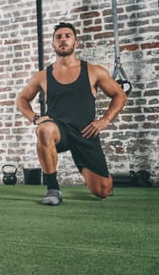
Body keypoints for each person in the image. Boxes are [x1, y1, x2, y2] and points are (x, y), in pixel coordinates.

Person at [16, 22, 127, 205]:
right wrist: (35, 118)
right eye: (58, 37)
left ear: (75, 43)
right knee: (44, 130)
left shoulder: (94, 71)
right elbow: (21, 99)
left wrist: (105, 120)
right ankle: (53, 189)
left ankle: (105, 179)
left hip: (86, 133)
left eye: (68, 36)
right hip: (60, 130)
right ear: (53, 44)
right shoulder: (43, 76)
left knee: (102, 191)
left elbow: (119, 95)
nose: (63, 39)